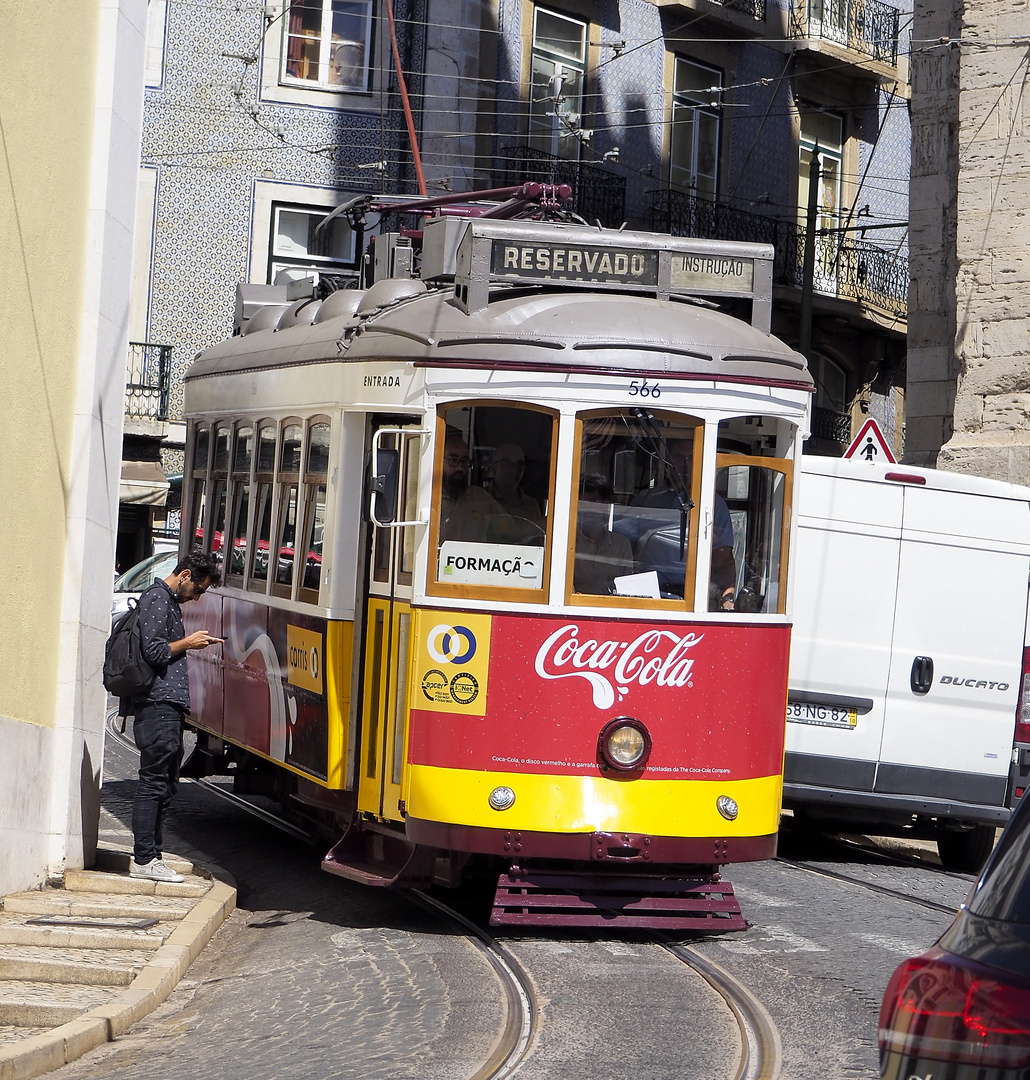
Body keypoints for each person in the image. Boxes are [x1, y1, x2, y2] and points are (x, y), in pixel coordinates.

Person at [124, 549, 222, 883]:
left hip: (166, 704)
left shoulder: (166, 601)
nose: (197, 597)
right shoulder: (157, 598)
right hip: (157, 703)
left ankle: (152, 854)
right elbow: (153, 651)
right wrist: (189, 643)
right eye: (198, 589)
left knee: (165, 781)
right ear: (184, 575)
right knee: (154, 781)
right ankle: (145, 859)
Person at [630, 438, 736, 609]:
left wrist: (727, 598)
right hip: (648, 596)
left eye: (691, 458)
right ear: (668, 460)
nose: (686, 464)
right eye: (680, 457)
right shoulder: (647, 499)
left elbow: (723, 557)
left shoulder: (712, 503)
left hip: (694, 598)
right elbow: (627, 550)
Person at [574, 474, 635, 595]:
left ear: (605, 505)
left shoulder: (621, 544)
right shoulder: (566, 543)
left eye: (593, 502)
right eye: (582, 502)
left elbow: (628, 589)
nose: (587, 508)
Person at [438, 434, 503, 542]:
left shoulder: (480, 497)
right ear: (438, 460)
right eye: (453, 460)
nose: (459, 467)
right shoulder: (425, 501)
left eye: (464, 461)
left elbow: (510, 529)